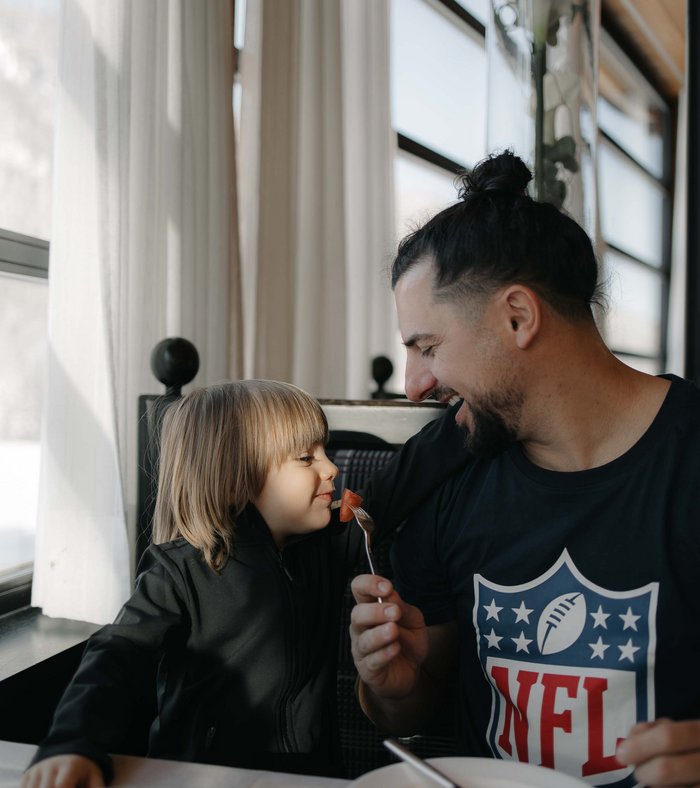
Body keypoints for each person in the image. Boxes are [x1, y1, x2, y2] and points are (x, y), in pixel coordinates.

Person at [350, 151, 700, 788]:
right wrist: (390, 685)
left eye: (428, 347)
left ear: (518, 317)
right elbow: (410, 702)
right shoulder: (449, 478)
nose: (414, 386)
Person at [23, 379, 356, 787]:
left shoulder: (329, 549)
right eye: (306, 457)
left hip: (311, 778)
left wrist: (458, 411)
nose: (332, 467)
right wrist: (72, 741)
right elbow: (119, 653)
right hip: (199, 777)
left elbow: (409, 475)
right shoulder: (180, 570)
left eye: (324, 451)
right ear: (236, 478)